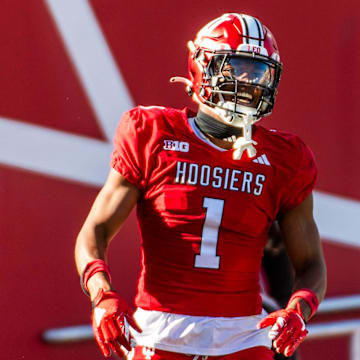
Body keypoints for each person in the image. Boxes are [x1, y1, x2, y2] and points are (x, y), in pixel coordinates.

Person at [74, 13, 327, 360]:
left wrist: (299, 309)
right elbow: (95, 231)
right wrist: (102, 295)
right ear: (202, 68)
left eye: (257, 72)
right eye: (235, 68)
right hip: (160, 332)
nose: (248, 82)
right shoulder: (153, 134)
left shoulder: (286, 159)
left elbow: (311, 262)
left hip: (244, 337)